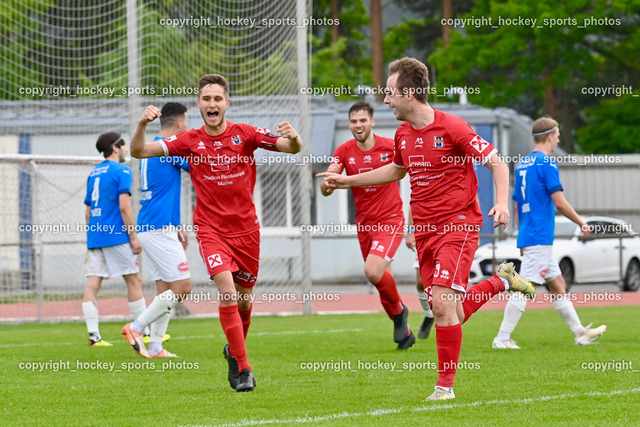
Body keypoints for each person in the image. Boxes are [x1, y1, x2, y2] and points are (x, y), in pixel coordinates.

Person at [318, 57, 535, 401]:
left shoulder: (454, 127)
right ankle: (502, 280)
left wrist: (503, 203)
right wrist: (346, 181)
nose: (385, 100)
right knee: (448, 310)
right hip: (425, 230)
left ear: (408, 93)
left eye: (390, 93)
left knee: (441, 303)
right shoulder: (403, 134)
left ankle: (444, 389)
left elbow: (496, 162)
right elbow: (395, 172)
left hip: (458, 224)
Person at [129, 74, 302, 392]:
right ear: (198, 104)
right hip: (211, 231)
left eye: (217, 99)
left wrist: (296, 137)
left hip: (247, 231)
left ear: (227, 103)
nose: (212, 104)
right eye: (206, 99)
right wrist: (141, 124)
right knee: (227, 292)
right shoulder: (188, 141)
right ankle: (245, 368)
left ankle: (234, 354)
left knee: (245, 302)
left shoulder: (246, 134)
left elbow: (290, 149)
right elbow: (138, 151)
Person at [492, 117, 606, 349]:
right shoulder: (547, 163)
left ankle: (580, 332)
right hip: (540, 235)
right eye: (558, 135)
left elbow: (516, 204)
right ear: (550, 136)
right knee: (525, 287)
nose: (559, 139)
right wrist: (581, 223)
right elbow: (560, 201)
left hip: (531, 234)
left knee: (557, 284)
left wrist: (522, 236)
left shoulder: (523, 164)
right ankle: (502, 338)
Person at [320, 101, 415, 349]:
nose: (358, 125)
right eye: (354, 121)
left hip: (391, 220)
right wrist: (327, 185)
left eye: (363, 120)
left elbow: (408, 173)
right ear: (349, 124)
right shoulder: (343, 151)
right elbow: (329, 181)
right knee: (382, 282)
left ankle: (400, 313)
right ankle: (405, 333)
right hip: (364, 225)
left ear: (372, 122)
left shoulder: (390, 146)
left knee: (372, 271)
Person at [121, 102, 192, 358]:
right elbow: (197, 169)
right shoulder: (169, 149)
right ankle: (136, 327)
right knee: (182, 287)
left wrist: (177, 225)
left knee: (164, 289)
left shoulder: (152, 147)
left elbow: (163, 191)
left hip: (156, 225)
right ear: (181, 123)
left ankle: (156, 346)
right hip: (158, 228)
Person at [82, 132, 147, 347]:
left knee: (93, 284)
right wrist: (133, 236)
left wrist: (93, 233)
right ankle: (143, 331)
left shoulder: (93, 173)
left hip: (95, 235)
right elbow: (123, 206)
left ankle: (94, 336)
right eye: (124, 146)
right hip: (116, 236)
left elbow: (88, 212)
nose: (127, 150)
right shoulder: (122, 170)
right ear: (115, 148)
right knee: (134, 280)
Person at [405, 210, 434, 339]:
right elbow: (414, 202)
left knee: (449, 283)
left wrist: (475, 231)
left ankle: (450, 322)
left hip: (450, 231)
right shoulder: (422, 188)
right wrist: (411, 231)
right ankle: (429, 315)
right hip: (425, 232)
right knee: (421, 283)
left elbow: (472, 198)